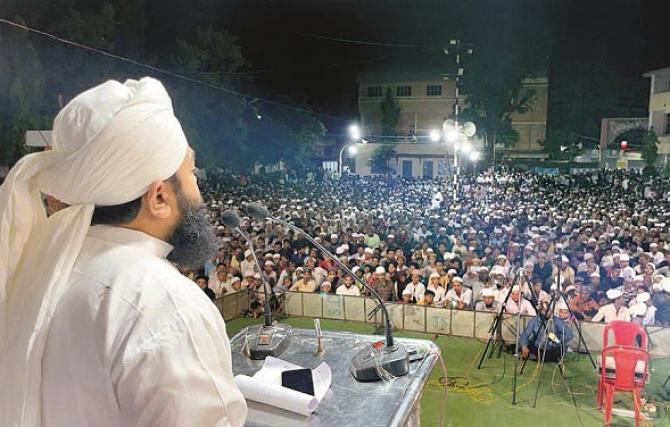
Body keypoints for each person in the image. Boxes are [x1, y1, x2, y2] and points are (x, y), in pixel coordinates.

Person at [0, 78, 246, 426]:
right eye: (190, 172)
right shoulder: (164, 306)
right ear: (159, 197)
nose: (199, 191)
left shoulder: (41, 274)